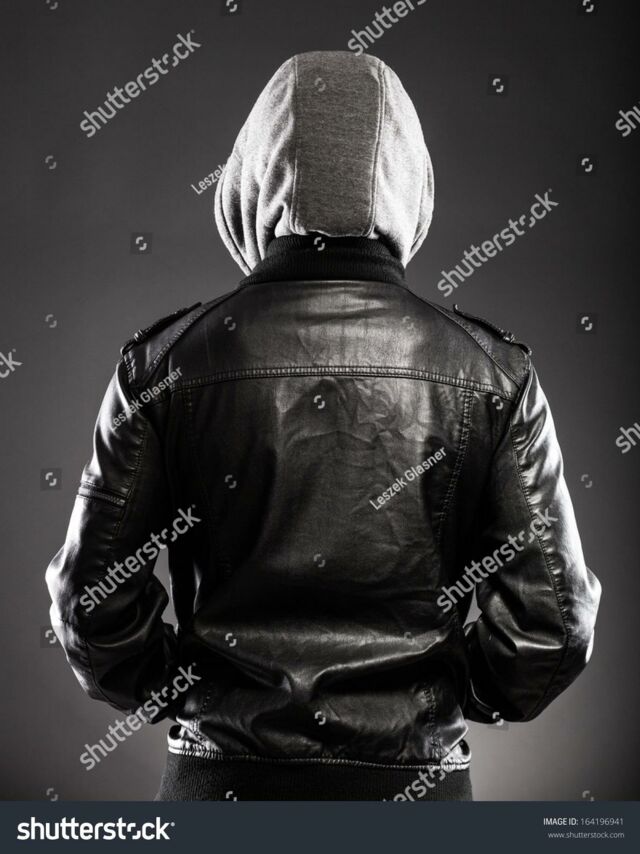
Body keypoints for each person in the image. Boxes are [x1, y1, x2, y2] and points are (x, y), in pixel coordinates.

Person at [46, 50, 601, 802]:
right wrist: (439, 698)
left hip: (221, 786)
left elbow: (91, 605)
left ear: (249, 178)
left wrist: (191, 693)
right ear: (409, 185)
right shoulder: (493, 374)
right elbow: (553, 626)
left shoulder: (166, 363)